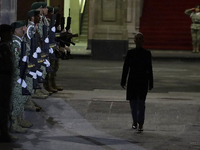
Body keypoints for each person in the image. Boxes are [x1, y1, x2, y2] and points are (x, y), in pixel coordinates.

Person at [121, 32, 153, 132]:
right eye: (137, 39)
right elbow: (126, 68)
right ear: (134, 41)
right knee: (133, 103)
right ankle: (135, 121)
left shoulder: (147, 53)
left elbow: (149, 69)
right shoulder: (130, 53)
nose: (138, 41)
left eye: (140, 39)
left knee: (141, 103)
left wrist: (151, 82)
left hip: (143, 80)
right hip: (133, 80)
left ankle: (141, 122)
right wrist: (123, 80)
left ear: (143, 41)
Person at [10, 21, 33, 133]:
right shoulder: (15, 43)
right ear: (15, 30)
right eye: (21, 29)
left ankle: (19, 119)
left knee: (23, 97)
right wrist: (19, 77)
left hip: (22, 73)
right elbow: (15, 62)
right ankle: (14, 123)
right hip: (17, 76)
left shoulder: (20, 41)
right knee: (17, 98)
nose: (24, 30)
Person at [0, 24, 18, 142]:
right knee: (3, 108)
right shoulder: (2, 48)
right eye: (9, 33)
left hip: (6, 80)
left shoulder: (6, 46)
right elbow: (5, 66)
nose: (11, 35)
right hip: (3, 81)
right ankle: (3, 133)